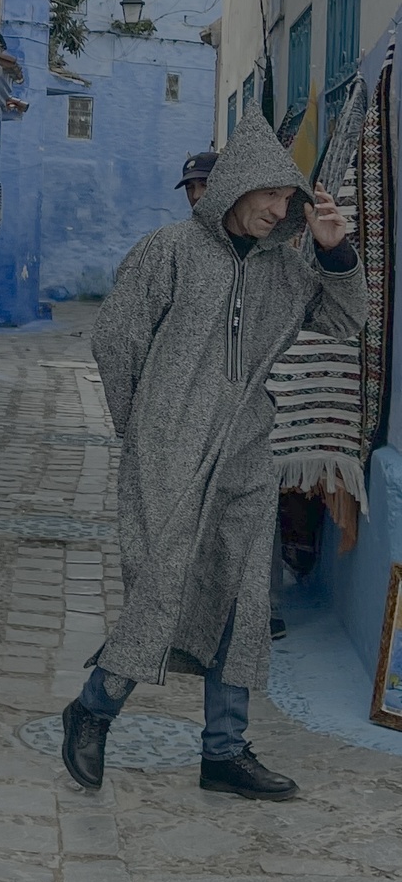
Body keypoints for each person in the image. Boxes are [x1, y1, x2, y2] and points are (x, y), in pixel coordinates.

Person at [62, 105, 368, 800]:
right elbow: (116, 343)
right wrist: (141, 428)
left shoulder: (286, 273)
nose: (279, 207)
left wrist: (334, 251)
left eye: (289, 197)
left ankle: (224, 751)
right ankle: (94, 707)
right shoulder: (166, 251)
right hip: (165, 450)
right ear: (235, 187)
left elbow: (348, 320)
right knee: (163, 587)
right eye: (270, 193)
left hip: (246, 455)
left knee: (241, 597)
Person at [176, 150, 288, 641]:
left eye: (204, 185)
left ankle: (259, 611)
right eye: (191, 188)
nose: (197, 195)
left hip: (247, 417)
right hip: (183, 420)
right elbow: (122, 343)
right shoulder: (174, 252)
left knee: (250, 514)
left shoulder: (272, 259)